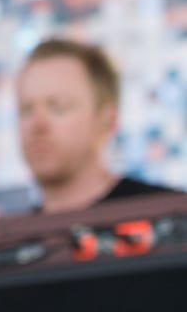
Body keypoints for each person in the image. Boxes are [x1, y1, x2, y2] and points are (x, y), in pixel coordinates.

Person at [17, 37, 174, 213]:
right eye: (26, 109)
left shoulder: (171, 214)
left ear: (108, 121)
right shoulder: (10, 230)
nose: (37, 124)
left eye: (58, 107)